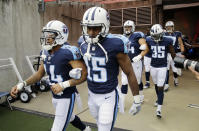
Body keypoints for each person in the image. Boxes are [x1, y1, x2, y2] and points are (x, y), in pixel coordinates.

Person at [10, 20, 91, 131]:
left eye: (51, 35)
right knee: (70, 117)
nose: (46, 38)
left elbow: (84, 74)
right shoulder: (45, 52)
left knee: (57, 127)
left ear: (61, 36)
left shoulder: (69, 52)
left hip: (66, 96)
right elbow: (39, 74)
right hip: (55, 96)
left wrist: (63, 85)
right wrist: (22, 84)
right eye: (45, 34)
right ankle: (86, 129)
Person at [78, 7, 141, 131]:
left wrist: (137, 99)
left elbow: (129, 72)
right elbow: (84, 66)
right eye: (88, 28)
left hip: (108, 95)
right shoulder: (82, 43)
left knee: (104, 126)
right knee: (98, 122)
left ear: (105, 26)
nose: (91, 32)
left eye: (95, 28)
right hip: (91, 93)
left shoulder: (115, 44)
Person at [119, 20, 149, 113]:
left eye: (129, 27)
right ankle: (121, 104)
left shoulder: (136, 36)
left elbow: (146, 48)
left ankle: (140, 96)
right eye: (126, 27)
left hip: (136, 63)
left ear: (133, 28)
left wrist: (140, 56)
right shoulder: (122, 37)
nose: (127, 29)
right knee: (124, 82)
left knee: (137, 81)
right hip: (125, 63)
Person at [146, 24, 176, 118]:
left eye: (157, 35)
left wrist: (175, 64)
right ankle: (158, 99)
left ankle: (159, 109)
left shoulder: (167, 40)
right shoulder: (149, 40)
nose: (155, 37)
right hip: (153, 66)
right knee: (156, 85)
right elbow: (147, 51)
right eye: (153, 36)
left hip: (162, 66)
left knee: (160, 87)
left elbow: (172, 53)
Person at [164, 21, 185, 91]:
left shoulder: (177, 34)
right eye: (167, 27)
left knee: (175, 69)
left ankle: (175, 78)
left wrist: (182, 53)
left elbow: (181, 43)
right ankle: (166, 84)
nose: (169, 28)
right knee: (166, 69)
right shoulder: (163, 34)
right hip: (166, 54)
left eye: (170, 27)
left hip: (174, 54)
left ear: (173, 27)